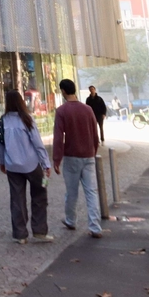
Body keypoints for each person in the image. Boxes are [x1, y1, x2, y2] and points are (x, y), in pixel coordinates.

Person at [0, 84, 53, 244]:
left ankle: (20, 234)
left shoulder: (2, 122)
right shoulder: (27, 120)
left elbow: (0, 145)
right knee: (40, 195)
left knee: (17, 199)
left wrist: (2, 162)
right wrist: (46, 163)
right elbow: (38, 144)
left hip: (12, 165)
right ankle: (40, 230)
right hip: (31, 164)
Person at [53, 79, 103, 237]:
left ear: (63, 91)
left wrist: (56, 159)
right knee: (91, 192)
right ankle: (95, 226)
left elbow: (58, 137)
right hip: (88, 155)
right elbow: (95, 134)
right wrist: (93, 150)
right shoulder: (88, 109)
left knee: (72, 192)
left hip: (71, 156)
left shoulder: (61, 111)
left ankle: (70, 220)